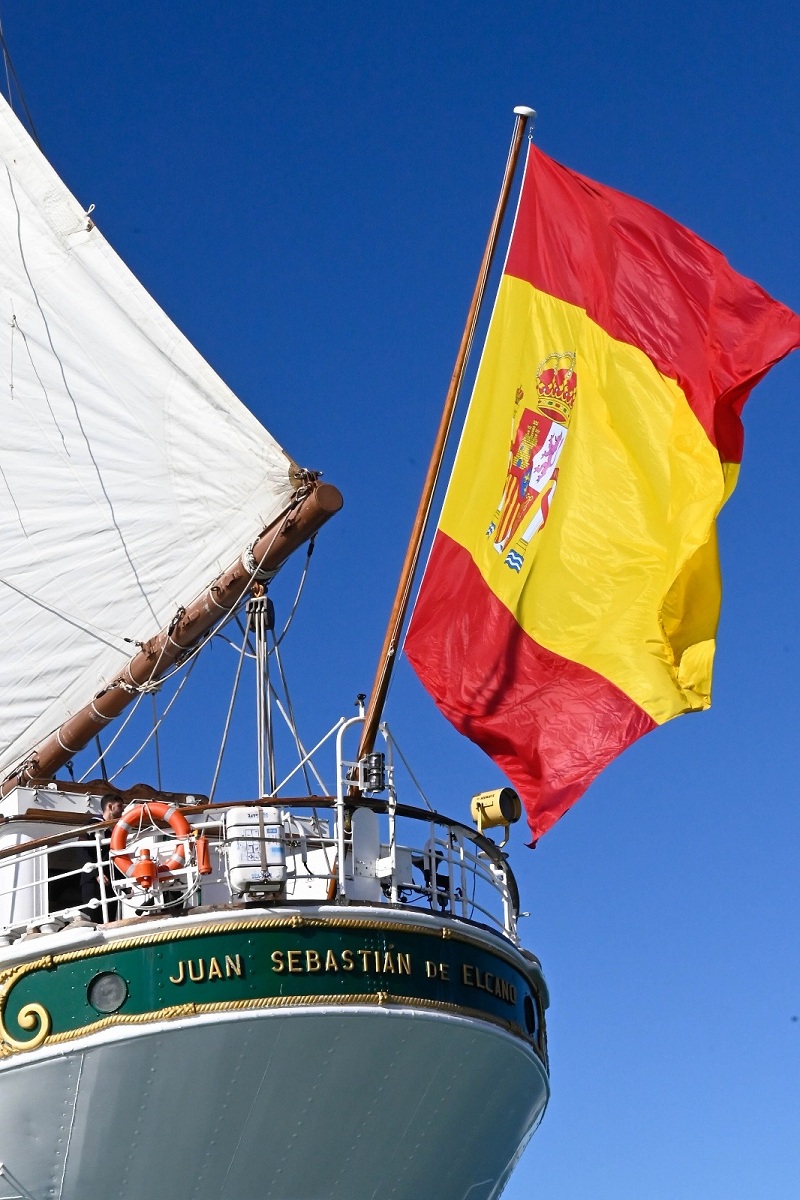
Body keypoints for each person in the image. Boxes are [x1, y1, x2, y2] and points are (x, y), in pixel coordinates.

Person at [80, 793, 126, 922]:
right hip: (93, 881)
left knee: (110, 919)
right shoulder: (92, 824)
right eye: (120, 806)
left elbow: (117, 857)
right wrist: (96, 873)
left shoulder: (116, 830)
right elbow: (83, 850)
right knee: (93, 918)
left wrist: (124, 882)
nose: (123, 809)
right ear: (110, 807)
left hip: (111, 882)